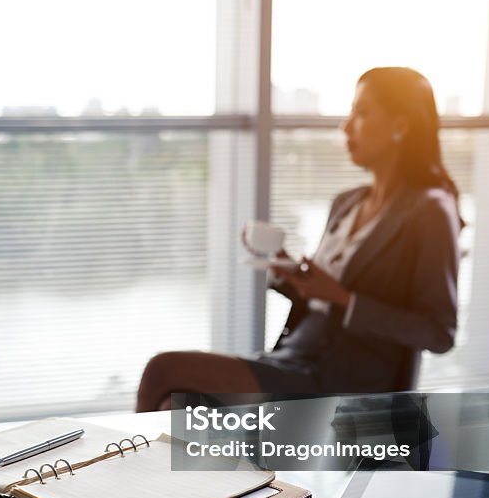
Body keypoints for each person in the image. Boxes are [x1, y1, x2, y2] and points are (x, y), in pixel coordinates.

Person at [136, 67, 462, 412]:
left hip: (343, 380)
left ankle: (117, 466)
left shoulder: (430, 211)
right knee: (173, 406)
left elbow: (439, 332)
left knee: (164, 369)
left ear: (400, 126)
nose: (347, 126)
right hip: (295, 358)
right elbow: (319, 299)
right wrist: (289, 272)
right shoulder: (347, 203)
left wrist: (342, 298)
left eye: (362, 112)